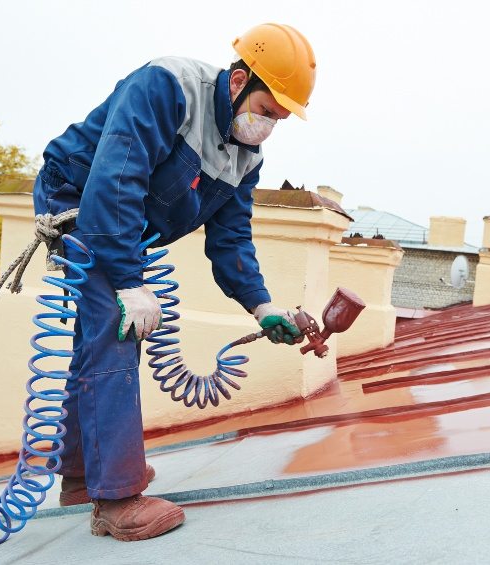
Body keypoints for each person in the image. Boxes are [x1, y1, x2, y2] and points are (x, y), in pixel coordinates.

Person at [31, 23, 316, 542]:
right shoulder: (167, 87)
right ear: (236, 82)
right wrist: (127, 282)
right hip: (80, 198)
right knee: (117, 329)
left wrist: (262, 306)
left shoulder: (245, 157)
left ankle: (80, 477)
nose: (268, 127)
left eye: (278, 119)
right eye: (267, 111)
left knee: (103, 329)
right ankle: (116, 500)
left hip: (123, 217)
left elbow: (231, 241)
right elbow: (115, 179)